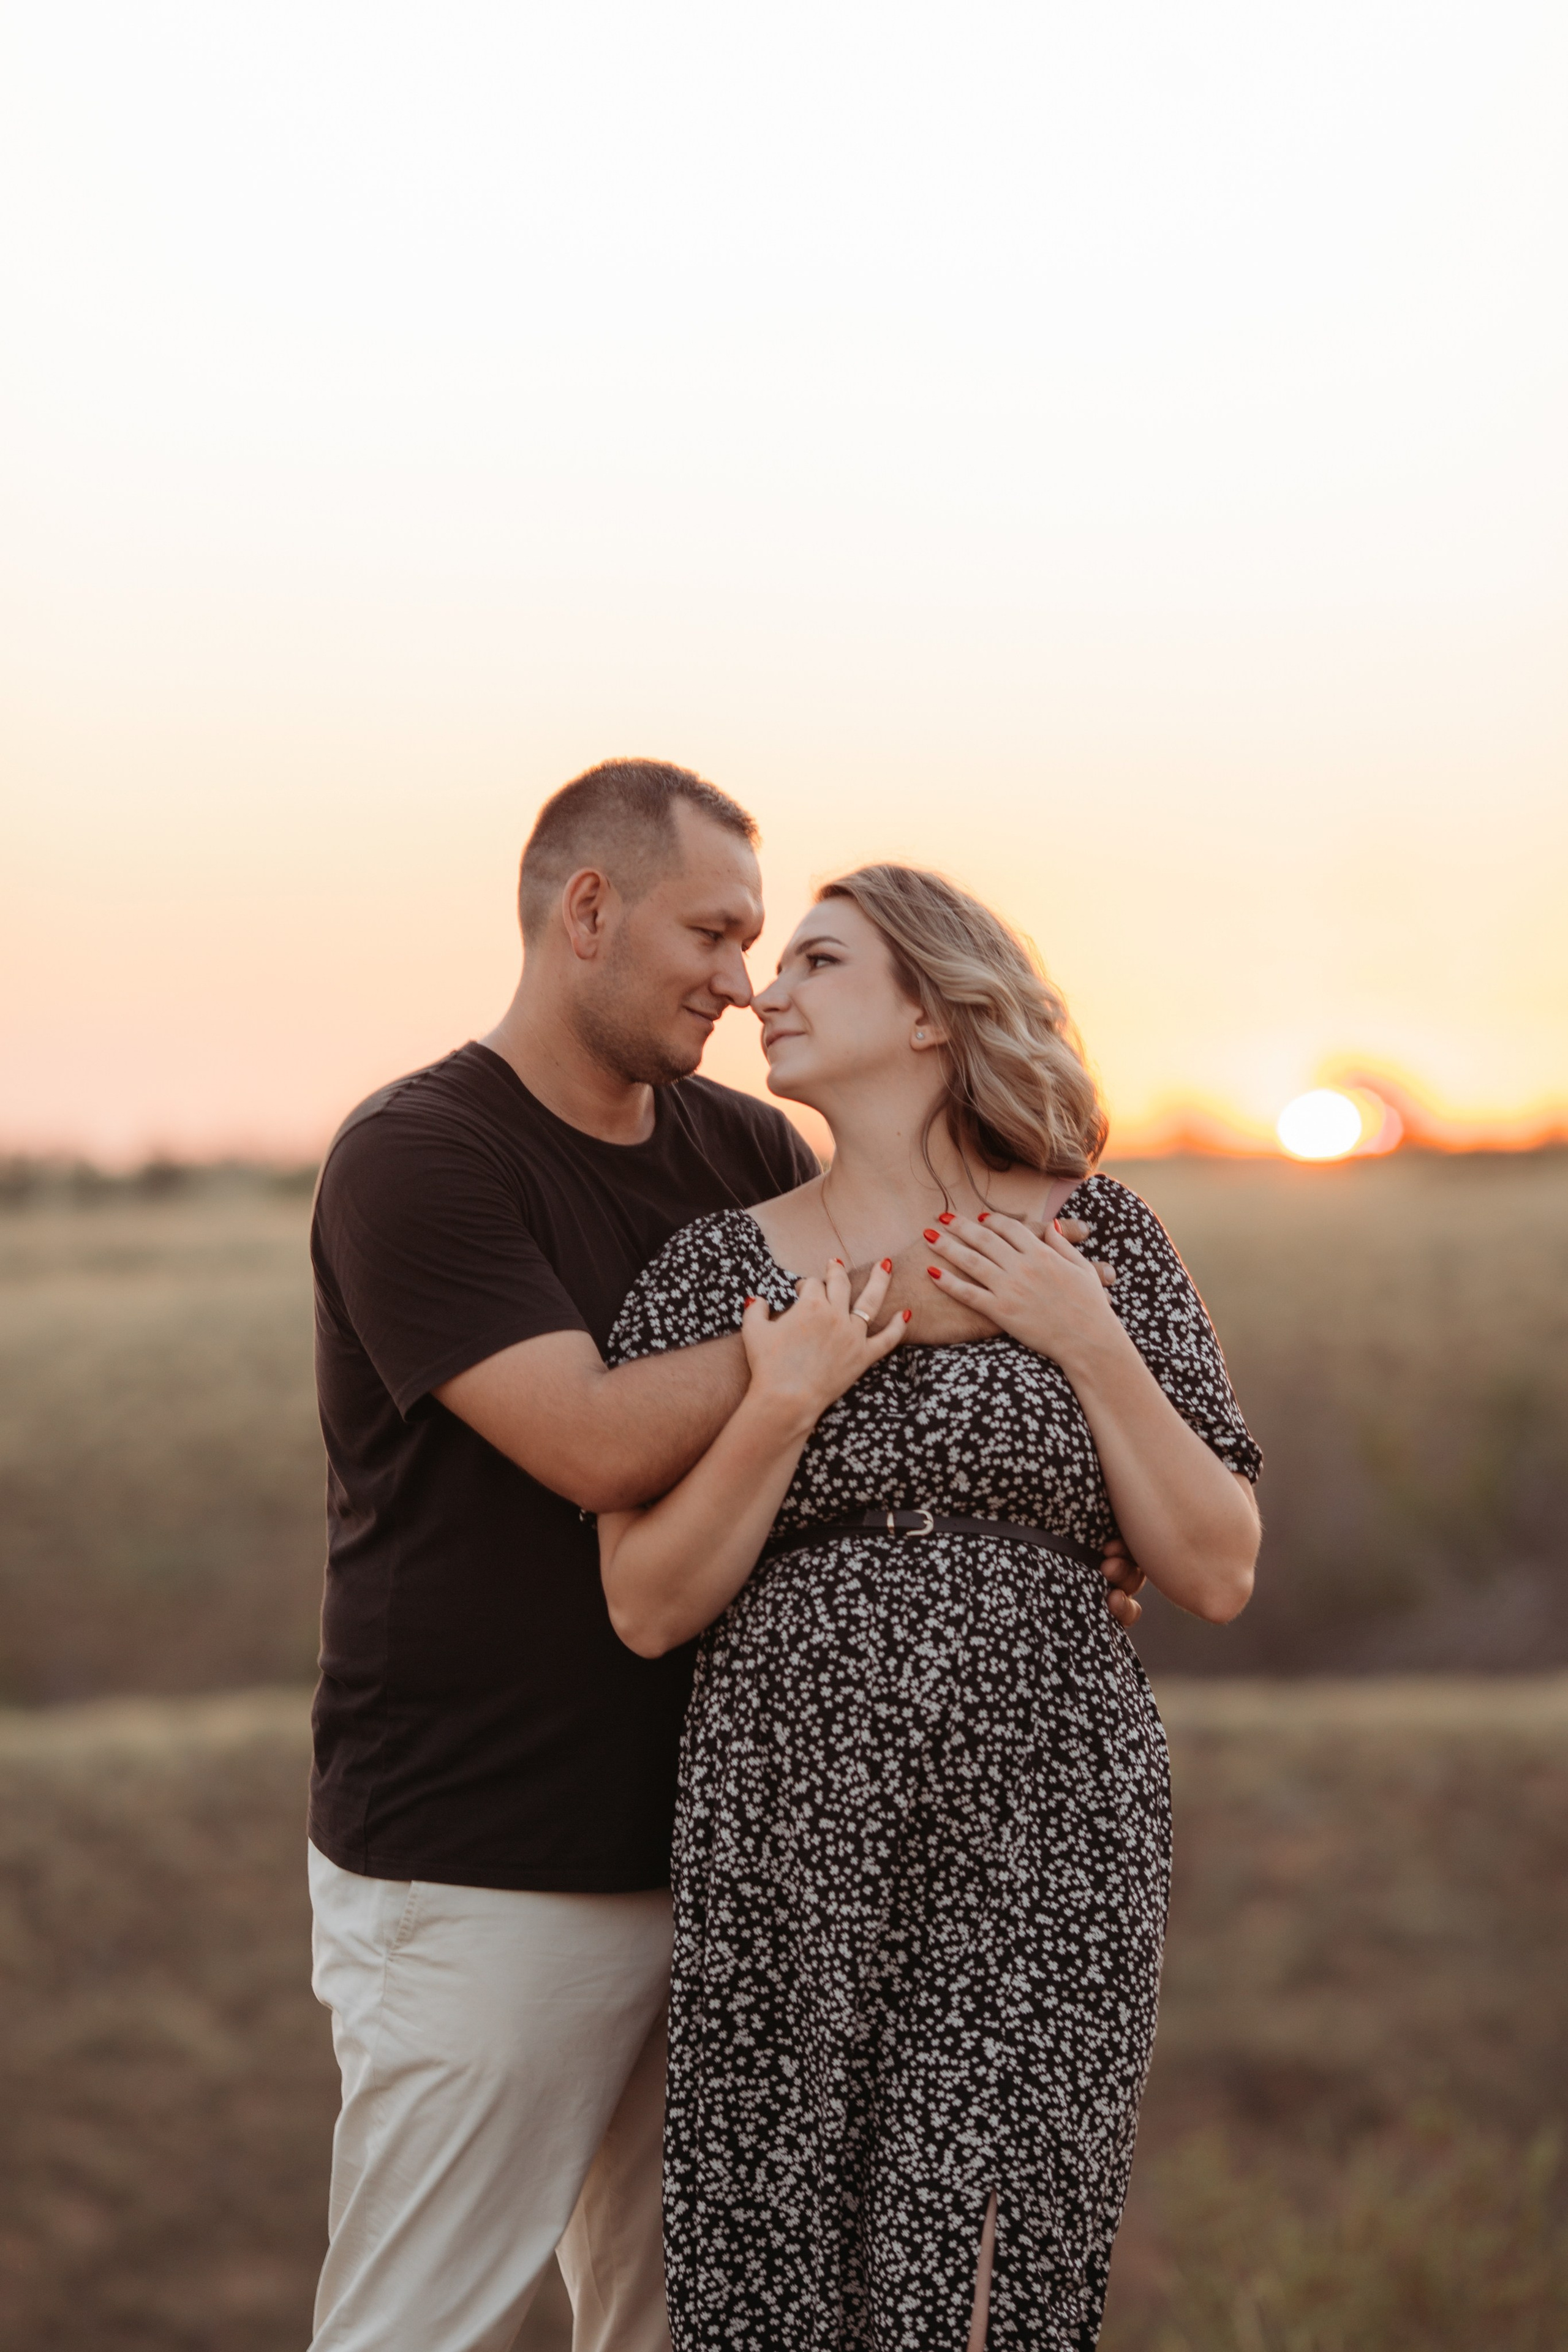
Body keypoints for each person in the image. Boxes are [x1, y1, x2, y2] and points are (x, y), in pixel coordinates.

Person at [305, 763, 1144, 2352]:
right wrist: (893, 1305)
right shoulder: (419, 1159)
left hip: (741, 1861)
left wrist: (1054, 1538)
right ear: (588, 911)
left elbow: (879, 1417)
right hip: (487, 1857)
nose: (742, 979)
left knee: (679, 2328)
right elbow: (598, 1443)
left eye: (765, 942)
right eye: (713, 932)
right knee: (433, 2326)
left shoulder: (740, 1150)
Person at [597, 864, 1262, 2351]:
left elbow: (1215, 1565)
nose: (767, 990)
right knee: (777, 2229)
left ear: (925, 1012)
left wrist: (1084, 1339)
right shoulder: (715, 1271)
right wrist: (781, 1399)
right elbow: (645, 1606)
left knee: (988, 2227)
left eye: (818, 963)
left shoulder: (1099, 1240)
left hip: (1047, 1801)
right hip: (788, 1803)